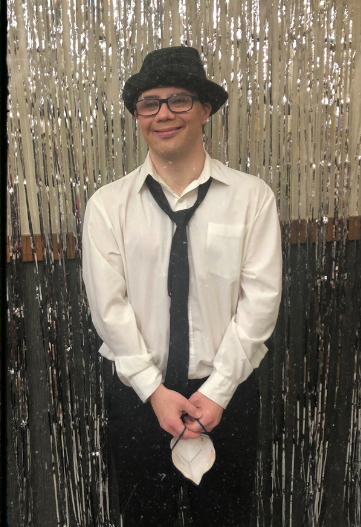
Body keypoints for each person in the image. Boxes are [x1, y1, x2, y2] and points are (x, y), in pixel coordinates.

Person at [81, 47, 282, 524]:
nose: (163, 114)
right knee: (142, 516)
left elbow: (262, 300)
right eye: (149, 103)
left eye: (179, 100)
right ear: (138, 116)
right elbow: (109, 308)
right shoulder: (108, 206)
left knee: (226, 516)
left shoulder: (252, 198)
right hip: (138, 395)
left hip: (226, 395)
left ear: (205, 110)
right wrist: (153, 390)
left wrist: (219, 389)